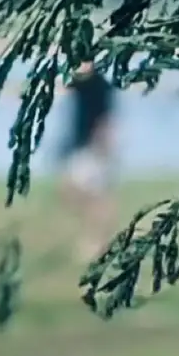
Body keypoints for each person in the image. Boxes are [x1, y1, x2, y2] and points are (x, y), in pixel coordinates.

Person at [58, 60, 117, 260]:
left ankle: (97, 241)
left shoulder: (100, 86)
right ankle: (96, 238)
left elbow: (106, 119)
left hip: (93, 147)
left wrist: (103, 147)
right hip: (80, 145)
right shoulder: (80, 83)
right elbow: (64, 86)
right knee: (73, 193)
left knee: (96, 196)